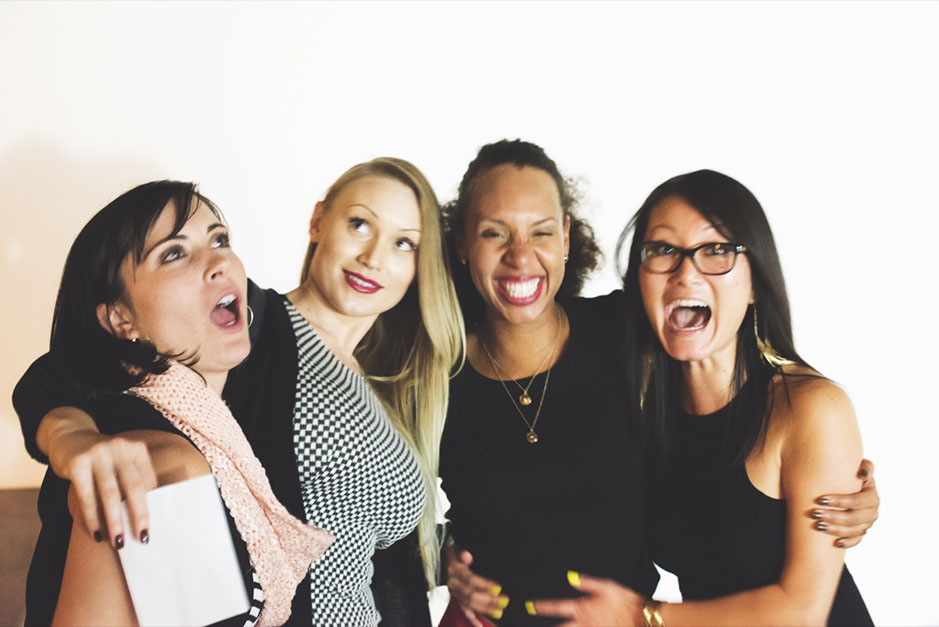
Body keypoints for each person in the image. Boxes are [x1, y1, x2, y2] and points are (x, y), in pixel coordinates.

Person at [439, 140, 879, 626]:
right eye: (664, 251)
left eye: (716, 251)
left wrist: (643, 616)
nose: (686, 274)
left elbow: (804, 610)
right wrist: (448, 553)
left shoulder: (807, 405)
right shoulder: (655, 385)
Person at [15, 158, 465, 626]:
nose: (373, 257)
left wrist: (445, 556)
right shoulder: (258, 328)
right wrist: (70, 436)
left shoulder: (392, 375)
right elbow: (68, 370)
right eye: (359, 224)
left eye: (404, 242)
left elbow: (363, 533)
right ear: (318, 221)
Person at [26, 180, 332, 626]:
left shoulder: (214, 430)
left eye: (220, 240)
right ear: (120, 318)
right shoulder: (158, 465)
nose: (219, 262)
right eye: (174, 253)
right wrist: (66, 433)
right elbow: (50, 376)